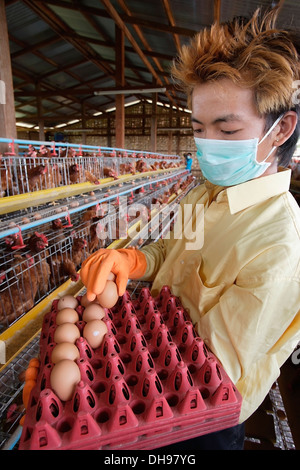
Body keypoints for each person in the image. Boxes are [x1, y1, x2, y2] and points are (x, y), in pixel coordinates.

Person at [80, 7, 300, 450]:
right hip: (143, 381)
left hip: (200, 423)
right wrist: (136, 258)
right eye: (199, 128)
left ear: (281, 131)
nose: (207, 145)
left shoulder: (280, 243)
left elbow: (207, 373)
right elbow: (174, 252)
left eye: (227, 128)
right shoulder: (208, 191)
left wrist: (89, 372)